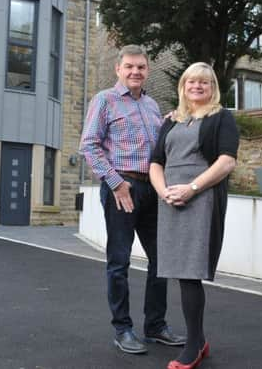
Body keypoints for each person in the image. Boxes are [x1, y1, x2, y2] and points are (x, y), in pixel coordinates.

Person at [80, 45, 186, 354]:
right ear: (118, 69)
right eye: (129, 66)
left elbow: (158, 148)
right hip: (121, 189)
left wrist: (171, 122)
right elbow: (89, 145)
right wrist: (116, 183)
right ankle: (123, 329)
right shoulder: (104, 100)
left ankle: (155, 326)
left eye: (140, 67)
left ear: (147, 70)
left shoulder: (152, 105)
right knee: (119, 262)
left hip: (153, 190)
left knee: (161, 260)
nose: (135, 71)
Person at [149, 62, 239, 369]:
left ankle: (193, 346)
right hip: (170, 199)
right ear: (183, 86)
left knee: (189, 273)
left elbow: (227, 161)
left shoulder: (221, 117)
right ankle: (198, 340)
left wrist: (191, 188)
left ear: (212, 87)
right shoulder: (172, 121)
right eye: (191, 82)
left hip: (200, 198)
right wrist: (163, 192)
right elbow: (156, 163)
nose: (196, 86)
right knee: (179, 271)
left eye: (204, 82)